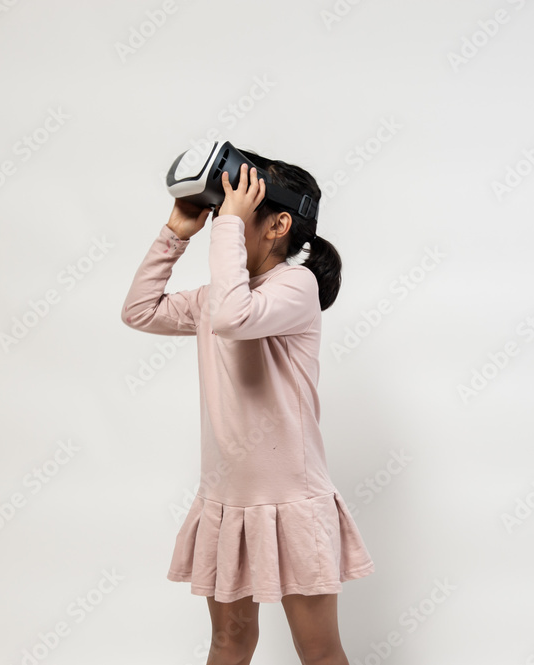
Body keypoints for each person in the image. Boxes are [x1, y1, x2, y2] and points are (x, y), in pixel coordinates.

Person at [121, 148, 374, 665]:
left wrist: (227, 228)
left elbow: (235, 318)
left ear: (279, 225)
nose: (224, 217)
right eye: (223, 208)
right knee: (229, 643)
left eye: (239, 208)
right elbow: (139, 311)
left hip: (292, 502)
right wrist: (176, 234)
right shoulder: (216, 297)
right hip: (227, 503)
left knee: (319, 651)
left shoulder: (295, 286)